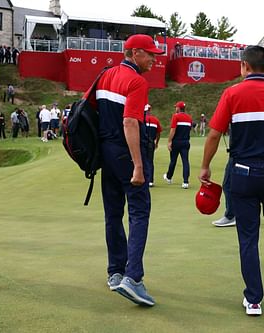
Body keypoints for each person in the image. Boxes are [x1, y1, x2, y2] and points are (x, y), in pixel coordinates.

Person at [199, 45, 264, 316]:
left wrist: (205, 167)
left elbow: (213, 135)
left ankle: (253, 299)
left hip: (242, 172)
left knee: (248, 237)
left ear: (244, 66)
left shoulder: (232, 93)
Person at [92, 34, 164, 306]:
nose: (154, 60)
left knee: (113, 214)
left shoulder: (105, 74)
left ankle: (115, 272)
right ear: (134, 53)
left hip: (106, 153)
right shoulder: (136, 81)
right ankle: (132, 278)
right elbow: (130, 124)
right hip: (125, 152)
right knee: (139, 212)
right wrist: (138, 165)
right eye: (149, 54)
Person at [164, 101, 192, 189]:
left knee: (173, 161)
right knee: (185, 162)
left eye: (176, 107)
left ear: (179, 108)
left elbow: (173, 130)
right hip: (186, 142)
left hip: (176, 142)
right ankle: (185, 182)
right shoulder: (189, 118)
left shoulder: (175, 116)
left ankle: (169, 177)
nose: (175, 108)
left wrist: (169, 141)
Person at [144, 104, 162, 186]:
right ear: (150, 110)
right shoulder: (155, 120)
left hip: (142, 142)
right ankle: (150, 180)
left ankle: (142, 179)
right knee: (150, 162)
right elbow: (158, 133)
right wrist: (156, 142)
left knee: (140, 161)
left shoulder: (140, 118)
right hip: (151, 143)